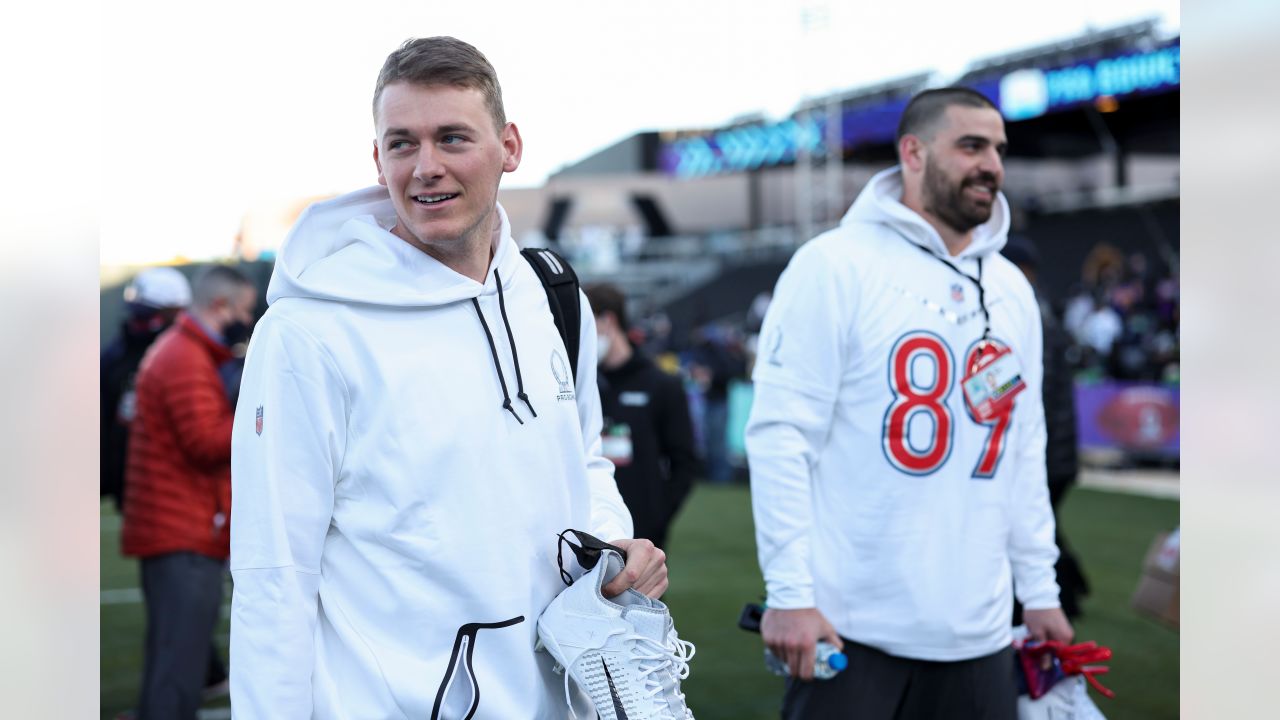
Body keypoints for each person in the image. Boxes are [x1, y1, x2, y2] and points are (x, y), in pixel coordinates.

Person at [228, 37, 669, 719]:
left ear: (510, 147)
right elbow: (274, 576)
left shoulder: (552, 294)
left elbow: (582, 459)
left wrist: (612, 542)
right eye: (402, 143)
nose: (426, 168)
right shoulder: (307, 334)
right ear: (378, 159)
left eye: (453, 138)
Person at [746, 87, 1072, 720]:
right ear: (913, 153)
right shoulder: (834, 265)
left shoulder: (1009, 289)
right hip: (852, 628)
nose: (992, 166)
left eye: (999, 150)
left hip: (981, 634)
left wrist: (1039, 589)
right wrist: (789, 593)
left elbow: (1024, 452)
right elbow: (782, 438)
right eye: (971, 146)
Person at [120, 265, 258, 720]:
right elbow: (206, 443)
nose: (246, 317)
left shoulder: (185, 350)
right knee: (178, 668)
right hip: (181, 529)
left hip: (180, 523)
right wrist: (260, 416)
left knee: (174, 660)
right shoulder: (184, 356)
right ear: (219, 306)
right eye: (242, 309)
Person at [1002, 237, 1090, 621]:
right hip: (1056, 452)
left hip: (1046, 455)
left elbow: (1024, 394)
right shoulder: (1040, 310)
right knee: (1043, 530)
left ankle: (1058, 597)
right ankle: (1068, 591)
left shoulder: (1024, 312)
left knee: (1033, 531)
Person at [586, 282, 699, 551]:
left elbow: (685, 461)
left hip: (643, 535)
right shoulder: (580, 384)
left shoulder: (661, 385)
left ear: (607, 320)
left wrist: (657, 517)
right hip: (591, 531)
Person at [101, 267, 192, 512]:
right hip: (131, 479)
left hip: (177, 486)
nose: (138, 323)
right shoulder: (116, 355)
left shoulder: (189, 356)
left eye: (148, 315)